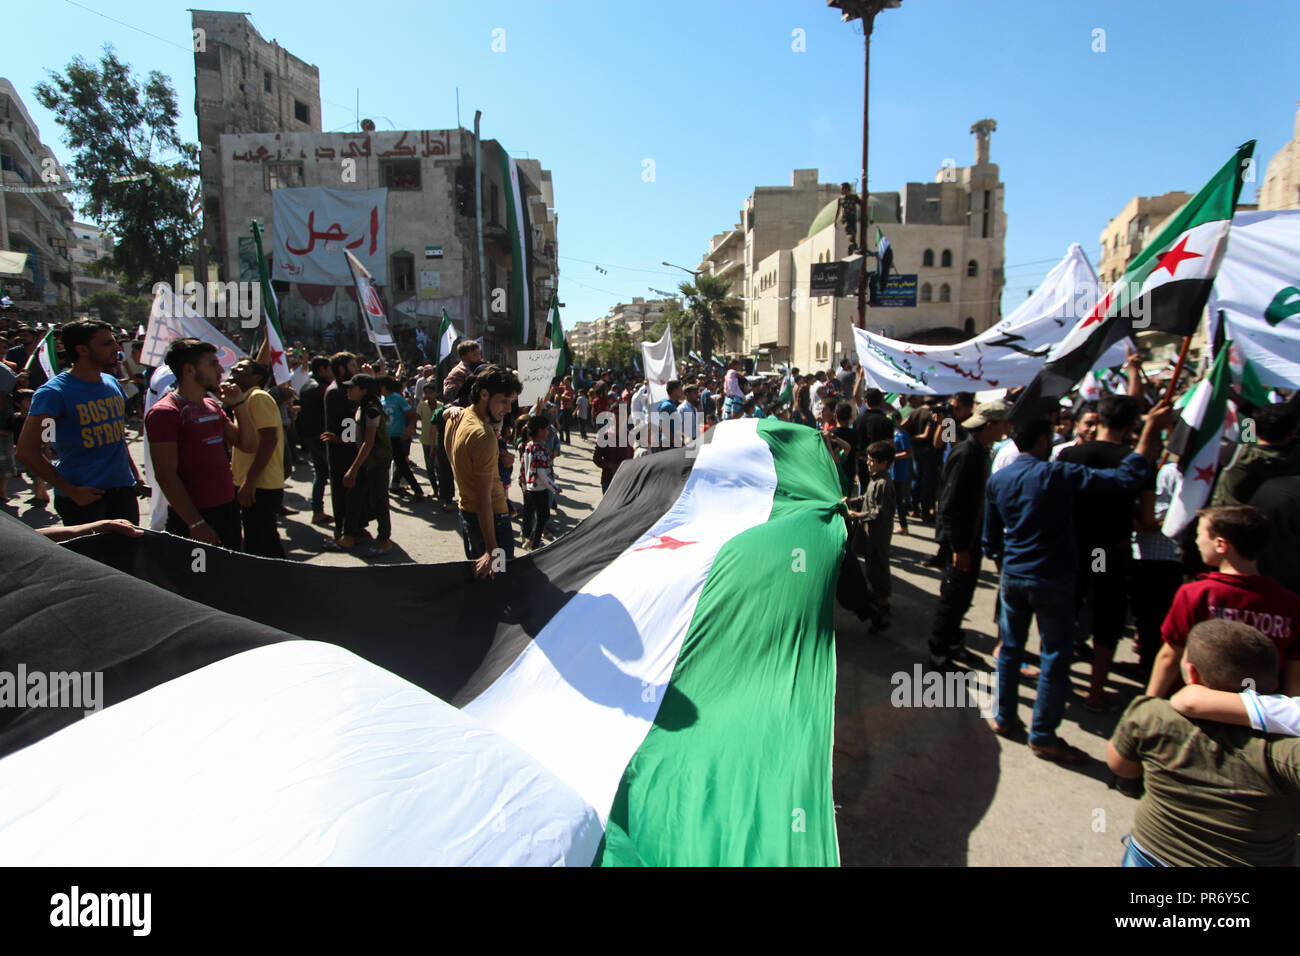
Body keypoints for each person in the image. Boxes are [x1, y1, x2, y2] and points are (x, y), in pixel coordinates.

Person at [983, 407, 1171, 763]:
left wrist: (1000, 561)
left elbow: (990, 536)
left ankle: (1004, 717)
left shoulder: (1000, 479)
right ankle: (1042, 734)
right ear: (1042, 440)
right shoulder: (1055, 474)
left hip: (1014, 574)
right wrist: (1147, 436)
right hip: (1051, 575)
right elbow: (1124, 478)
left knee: (1010, 648)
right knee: (1055, 654)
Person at [1108, 620, 1300, 867]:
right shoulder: (1285, 749)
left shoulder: (1151, 715)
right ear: (1274, 686)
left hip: (1152, 853)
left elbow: (1120, 765)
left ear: (1192, 672)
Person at [1145, 505, 1300, 699]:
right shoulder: (1291, 604)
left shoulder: (1196, 594)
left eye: (1200, 534)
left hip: (1198, 708)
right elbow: (1295, 677)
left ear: (1220, 544)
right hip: (1258, 715)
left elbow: (1169, 657)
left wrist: (1148, 704)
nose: (1196, 541)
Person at [1057, 394, 1145, 710]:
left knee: (1067, 609)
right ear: (1132, 424)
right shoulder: (1134, 462)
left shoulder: (1069, 454)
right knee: (1107, 616)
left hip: (1074, 544)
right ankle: (1096, 690)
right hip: (1106, 550)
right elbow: (1146, 518)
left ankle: (1056, 677)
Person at [17, 320, 142, 526]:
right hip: (85, 499)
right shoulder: (53, 394)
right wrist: (71, 491)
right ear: (82, 350)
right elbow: (27, 451)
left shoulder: (111, 383)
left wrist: (135, 475)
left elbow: (117, 436)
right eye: (107, 344)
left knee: (129, 556)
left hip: (124, 491)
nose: (117, 348)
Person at [144, 338, 258, 550]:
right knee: (196, 580)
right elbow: (166, 475)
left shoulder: (212, 405)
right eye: (213, 364)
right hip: (194, 517)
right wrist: (195, 523)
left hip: (227, 510)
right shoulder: (166, 412)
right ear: (188, 370)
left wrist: (239, 404)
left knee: (228, 577)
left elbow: (249, 446)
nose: (221, 370)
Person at [928, 400, 1009, 670]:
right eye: (1003, 422)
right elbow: (949, 503)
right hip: (959, 542)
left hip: (971, 539)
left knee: (963, 596)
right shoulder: (966, 453)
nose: (1007, 427)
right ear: (990, 425)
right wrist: (957, 547)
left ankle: (954, 643)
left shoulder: (982, 452)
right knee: (952, 598)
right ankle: (938, 653)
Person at [445, 364, 521, 578]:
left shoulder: (458, 415)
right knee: (499, 581)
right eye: (503, 401)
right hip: (491, 521)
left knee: (480, 579)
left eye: (511, 403)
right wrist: (491, 549)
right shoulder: (483, 435)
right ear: (484, 394)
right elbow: (483, 497)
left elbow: (444, 414)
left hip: (467, 514)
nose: (507, 409)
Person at [330, 373, 393, 558]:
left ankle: (384, 540)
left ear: (364, 390)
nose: (349, 390)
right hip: (367, 460)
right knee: (354, 497)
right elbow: (357, 436)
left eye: (352, 387)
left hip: (376, 461)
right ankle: (348, 536)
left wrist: (353, 469)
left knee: (379, 499)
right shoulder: (360, 407)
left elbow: (369, 442)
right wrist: (339, 439)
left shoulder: (371, 409)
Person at [228, 358, 285, 559]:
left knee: (263, 545)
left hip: (261, 483)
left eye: (241, 368)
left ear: (257, 377)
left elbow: (269, 439)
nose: (234, 369)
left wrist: (250, 480)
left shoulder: (258, 397)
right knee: (258, 542)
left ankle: (285, 585)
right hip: (251, 481)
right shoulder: (243, 399)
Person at [1210, 402, 1300, 507]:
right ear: (1292, 432)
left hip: (1224, 518)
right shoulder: (1295, 458)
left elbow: (1207, 440)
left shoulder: (1238, 455)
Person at [849, 440, 897, 627]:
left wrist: (858, 515)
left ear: (884, 463)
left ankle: (883, 602)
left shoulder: (883, 484)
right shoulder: (875, 479)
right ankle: (877, 597)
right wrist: (853, 501)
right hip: (870, 532)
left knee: (879, 567)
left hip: (878, 534)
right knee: (871, 566)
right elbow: (867, 498)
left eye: (872, 461)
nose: (868, 463)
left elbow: (879, 511)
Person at [322, 351, 359, 540]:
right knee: (343, 491)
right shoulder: (337, 391)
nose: (357, 369)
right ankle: (344, 528)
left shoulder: (345, 389)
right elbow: (346, 424)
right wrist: (347, 439)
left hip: (349, 449)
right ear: (341, 368)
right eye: (353, 366)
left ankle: (353, 525)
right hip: (342, 453)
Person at [295, 356, 333, 527]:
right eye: (329, 368)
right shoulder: (321, 388)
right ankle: (345, 517)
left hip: (310, 437)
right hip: (322, 437)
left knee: (320, 474)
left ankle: (317, 511)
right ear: (321, 369)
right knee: (337, 474)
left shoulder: (306, 386)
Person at [519, 414, 557, 551]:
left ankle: (530, 538)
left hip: (529, 487)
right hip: (539, 488)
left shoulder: (528, 446)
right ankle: (533, 543)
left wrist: (523, 484)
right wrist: (554, 487)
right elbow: (541, 473)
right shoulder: (539, 449)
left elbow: (524, 468)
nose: (548, 432)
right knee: (543, 515)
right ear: (540, 431)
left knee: (532, 514)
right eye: (546, 429)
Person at [381, 375, 422, 499]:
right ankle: (386, 489)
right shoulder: (381, 399)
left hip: (397, 437)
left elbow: (413, 415)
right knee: (384, 466)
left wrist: (409, 428)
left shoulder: (398, 398)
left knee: (402, 465)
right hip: (385, 438)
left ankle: (418, 491)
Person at [892, 412, 913, 535]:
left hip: (899, 471)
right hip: (893, 471)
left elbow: (909, 453)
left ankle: (903, 525)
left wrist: (893, 456)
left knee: (899, 500)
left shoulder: (902, 435)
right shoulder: (894, 433)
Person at [653, 380, 684, 452]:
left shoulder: (672, 404)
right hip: (669, 445)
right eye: (680, 389)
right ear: (675, 390)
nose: (682, 391)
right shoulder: (667, 406)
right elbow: (664, 429)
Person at [834, 182, 860, 254]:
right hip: (845, 218)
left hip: (852, 217)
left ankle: (853, 246)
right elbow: (838, 210)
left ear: (847, 189)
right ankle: (852, 244)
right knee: (849, 231)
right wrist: (835, 220)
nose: (841, 191)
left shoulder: (854, 197)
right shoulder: (841, 199)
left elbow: (861, 204)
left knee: (853, 232)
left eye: (842, 189)